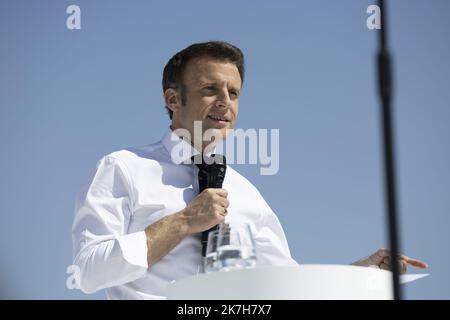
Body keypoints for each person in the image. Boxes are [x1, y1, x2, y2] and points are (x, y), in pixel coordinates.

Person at [72, 41, 427, 299]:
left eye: (234, 92)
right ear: (172, 99)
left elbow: (284, 287)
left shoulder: (247, 195)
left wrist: (360, 274)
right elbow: (88, 272)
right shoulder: (123, 168)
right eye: (210, 89)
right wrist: (182, 222)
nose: (225, 101)